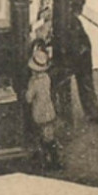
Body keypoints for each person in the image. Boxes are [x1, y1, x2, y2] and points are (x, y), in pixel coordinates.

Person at [67, 0, 98, 126]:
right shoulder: (74, 22)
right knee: (87, 87)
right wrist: (83, 51)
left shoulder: (71, 20)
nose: (81, 10)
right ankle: (94, 114)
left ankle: (91, 113)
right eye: (80, 7)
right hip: (81, 62)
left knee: (86, 87)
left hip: (81, 61)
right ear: (76, 7)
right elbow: (75, 43)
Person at [25, 41, 63, 171]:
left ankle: (44, 160)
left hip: (39, 113)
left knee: (40, 136)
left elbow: (29, 98)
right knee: (49, 136)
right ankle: (55, 159)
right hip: (49, 110)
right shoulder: (47, 78)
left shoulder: (33, 82)